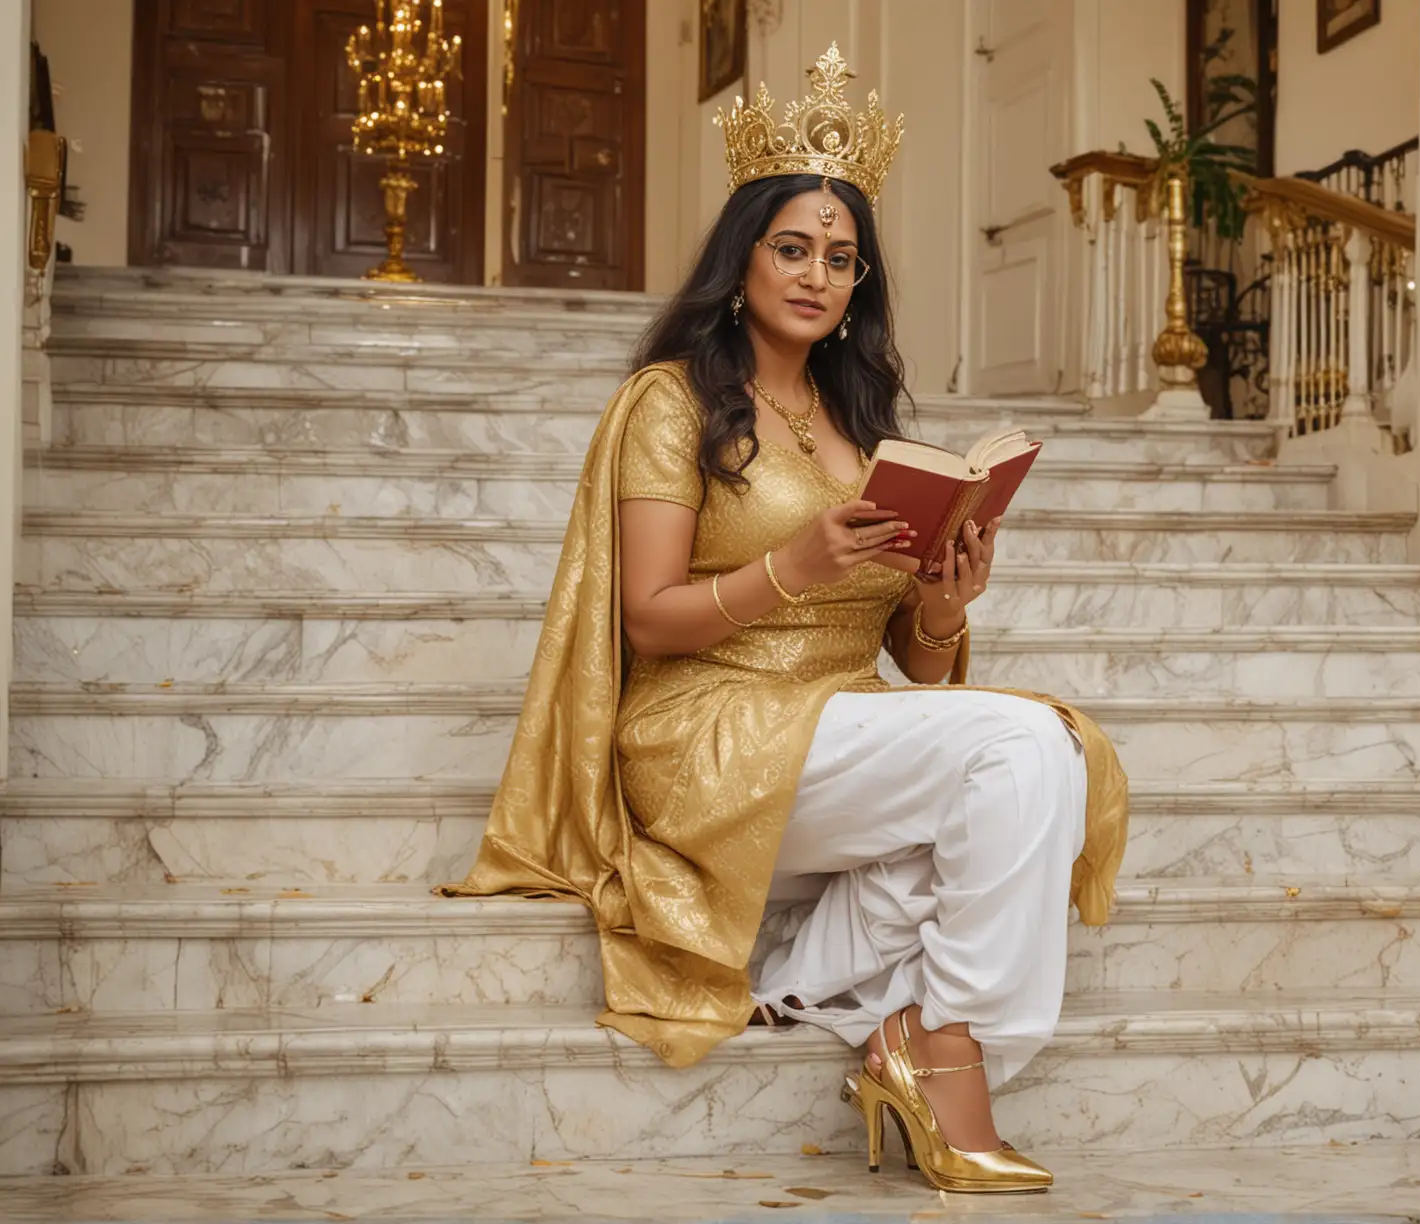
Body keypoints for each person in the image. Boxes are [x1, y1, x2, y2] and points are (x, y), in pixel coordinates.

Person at [440, 44, 1129, 1195]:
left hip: (834, 724)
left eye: (842, 259)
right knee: (1023, 744)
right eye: (794, 248)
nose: (817, 275)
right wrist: (795, 565)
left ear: (861, 284)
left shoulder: (860, 417)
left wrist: (947, 608)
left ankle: (841, 998)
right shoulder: (669, 402)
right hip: (702, 730)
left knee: (1046, 763)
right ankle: (947, 1051)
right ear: (745, 256)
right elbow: (650, 622)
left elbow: (914, 662)